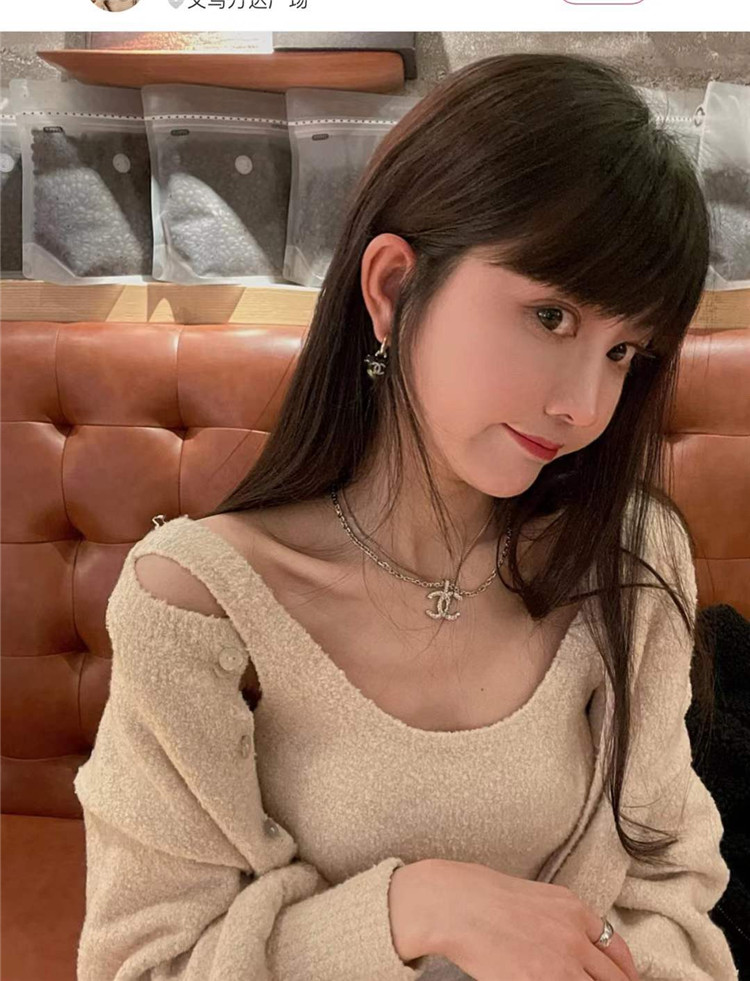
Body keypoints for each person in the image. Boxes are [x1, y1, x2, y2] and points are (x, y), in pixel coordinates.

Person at [73, 52, 739, 980]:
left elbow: (672, 890)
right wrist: (413, 909)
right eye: (551, 317)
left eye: (623, 351)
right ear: (391, 286)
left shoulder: (626, 555)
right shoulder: (198, 605)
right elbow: (146, 964)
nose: (583, 405)